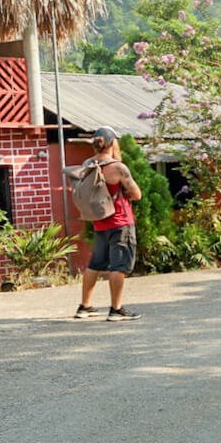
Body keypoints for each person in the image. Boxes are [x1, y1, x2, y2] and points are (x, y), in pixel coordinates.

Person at [75, 127, 143, 320]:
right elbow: (137, 194)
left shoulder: (87, 164)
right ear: (112, 143)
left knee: (95, 264)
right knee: (119, 266)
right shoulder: (118, 168)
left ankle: (85, 306)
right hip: (120, 222)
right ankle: (116, 309)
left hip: (99, 222)